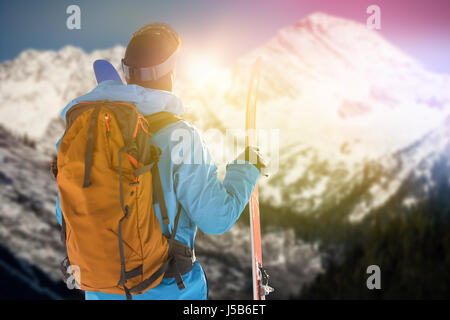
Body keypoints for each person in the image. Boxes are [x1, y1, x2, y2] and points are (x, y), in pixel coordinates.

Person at [55, 22, 266, 300]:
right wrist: (246, 171)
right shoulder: (181, 136)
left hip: (101, 291)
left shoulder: (81, 135)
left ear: (127, 73)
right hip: (171, 290)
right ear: (170, 73)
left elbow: (66, 214)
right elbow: (216, 219)